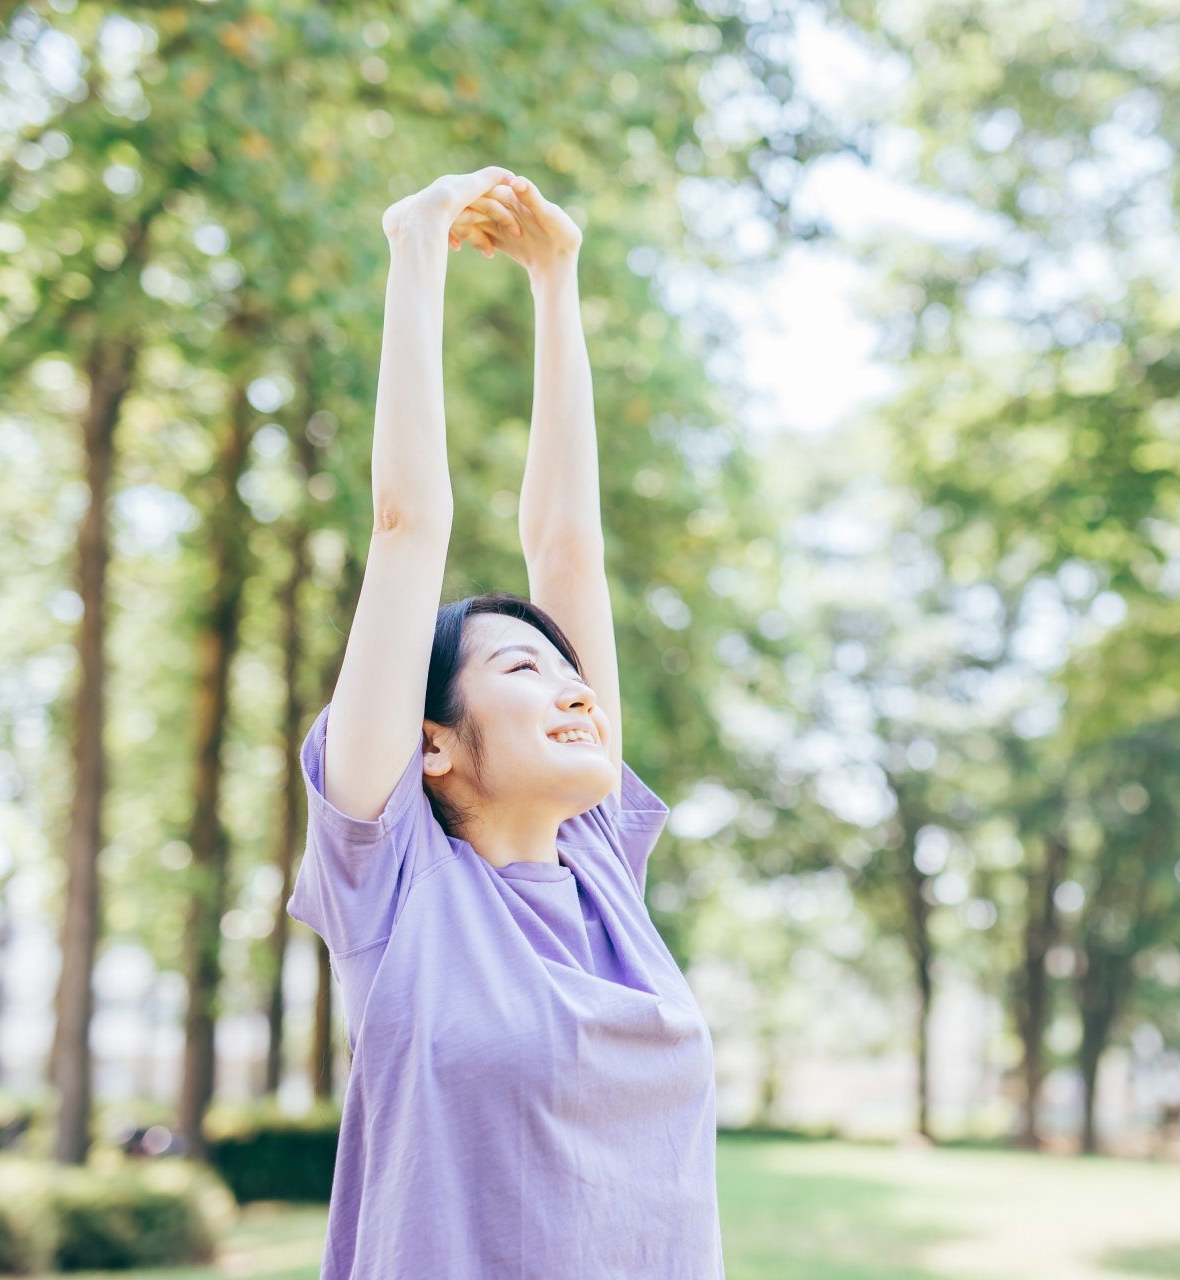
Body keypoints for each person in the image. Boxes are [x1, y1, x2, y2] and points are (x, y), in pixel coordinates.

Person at [288, 167, 722, 1278]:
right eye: (528, 666)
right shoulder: (394, 890)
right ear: (430, 741)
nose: (580, 690)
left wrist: (556, 276)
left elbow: (569, 544)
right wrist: (416, 245)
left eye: (571, 671)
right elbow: (405, 523)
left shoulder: (603, 869)